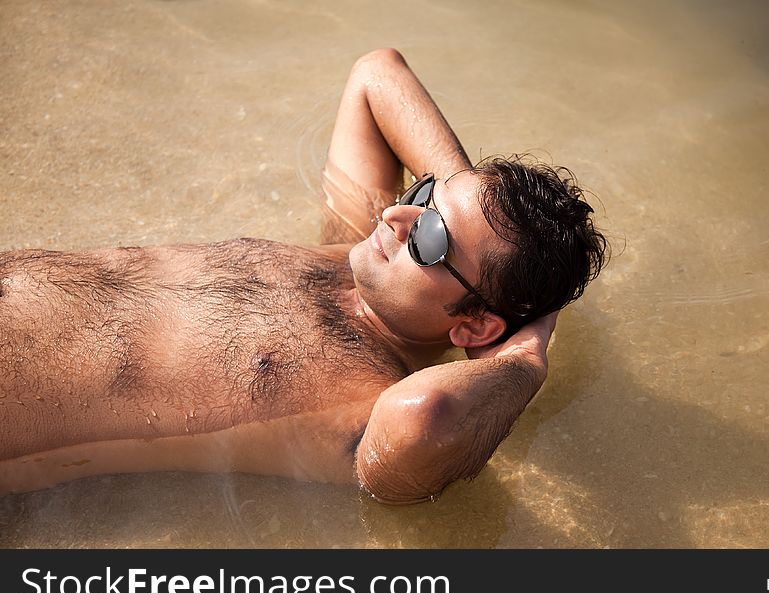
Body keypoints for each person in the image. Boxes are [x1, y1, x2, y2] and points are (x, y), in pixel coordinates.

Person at [0, 48, 606, 504]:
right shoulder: (348, 249)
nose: (395, 215)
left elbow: (425, 421)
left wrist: (522, 357)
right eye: (420, 195)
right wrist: (460, 204)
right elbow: (376, 76)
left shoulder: (362, 407)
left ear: (474, 326)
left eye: (430, 236)